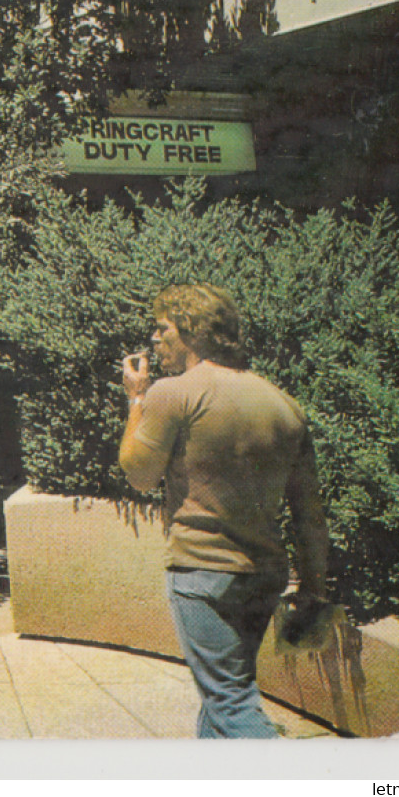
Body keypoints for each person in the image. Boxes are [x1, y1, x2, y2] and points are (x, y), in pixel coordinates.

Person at [119, 283, 330, 739]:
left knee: (230, 703)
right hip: (264, 576)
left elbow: (138, 473)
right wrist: (315, 588)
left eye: (163, 329)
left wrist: (137, 398)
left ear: (192, 331)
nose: (155, 340)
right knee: (223, 697)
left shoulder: (172, 393)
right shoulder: (285, 405)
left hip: (202, 572)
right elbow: (309, 515)